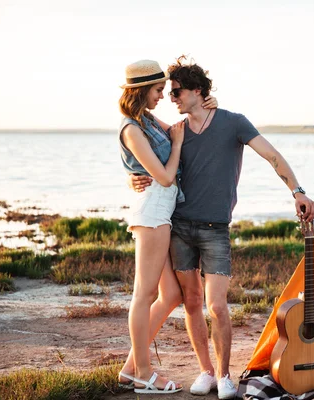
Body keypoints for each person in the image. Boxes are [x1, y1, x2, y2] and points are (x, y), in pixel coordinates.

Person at [129, 56, 314, 400]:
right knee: (190, 302)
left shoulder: (234, 123)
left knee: (216, 305)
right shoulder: (176, 132)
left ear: (197, 91)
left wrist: (297, 190)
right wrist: (135, 178)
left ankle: (224, 375)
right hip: (180, 227)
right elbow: (148, 156)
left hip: (217, 229)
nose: (171, 98)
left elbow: (272, 156)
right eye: (167, 92)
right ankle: (204, 372)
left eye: (177, 91)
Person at [116, 59, 217, 394]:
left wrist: (208, 105)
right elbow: (163, 175)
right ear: (142, 90)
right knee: (143, 294)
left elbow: (181, 127)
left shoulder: (145, 120)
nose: (163, 96)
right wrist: (174, 148)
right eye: (159, 90)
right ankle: (143, 372)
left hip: (162, 212)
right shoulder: (131, 128)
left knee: (170, 294)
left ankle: (131, 366)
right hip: (153, 213)